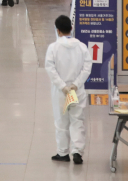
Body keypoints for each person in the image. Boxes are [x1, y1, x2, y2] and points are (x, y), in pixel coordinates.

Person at [45, 15, 92, 165]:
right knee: (77, 120)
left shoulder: (53, 48)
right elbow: (87, 68)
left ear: (57, 30)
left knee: (61, 121)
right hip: (77, 91)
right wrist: (76, 84)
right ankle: (77, 151)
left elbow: (50, 69)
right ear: (71, 28)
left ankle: (63, 152)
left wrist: (63, 86)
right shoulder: (82, 47)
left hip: (61, 92)